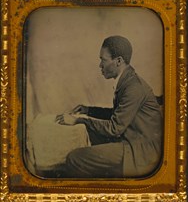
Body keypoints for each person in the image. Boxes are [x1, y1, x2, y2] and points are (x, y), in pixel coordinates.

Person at [56, 35, 163, 178]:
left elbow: (114, 128)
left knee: (75, 158)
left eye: (103, 60)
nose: (100, 65)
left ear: (118, 61)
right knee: (88, 133)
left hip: (139, 149)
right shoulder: (128, 82)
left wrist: (79, 120)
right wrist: (89, 111)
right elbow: (117, 114)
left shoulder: (133, 88)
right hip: (132, 139)